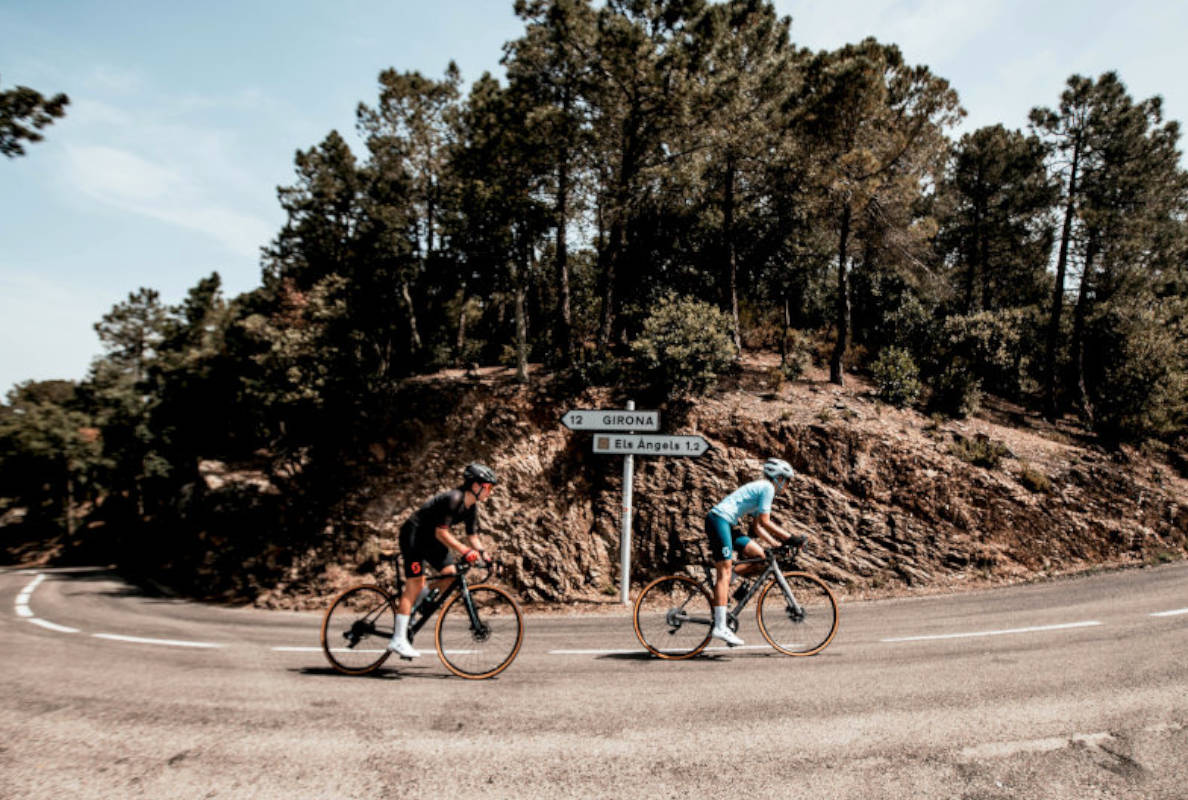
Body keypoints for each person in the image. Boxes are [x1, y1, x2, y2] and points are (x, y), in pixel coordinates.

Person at [387, 462, 497, 659]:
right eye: (488, 487)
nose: (490, 491)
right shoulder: (454, 499)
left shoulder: (471, 507)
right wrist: (464, 551)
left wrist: (484, 555)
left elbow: (472, 536)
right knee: (415, 584)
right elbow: (442, 532)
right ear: (475, 485)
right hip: (414, 535)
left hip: (431, 539)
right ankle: (398, 639)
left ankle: (414, 609)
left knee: (450, 575)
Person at [704, 457, 804, 646]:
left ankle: (728, 584)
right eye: (787, 481)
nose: (787, 486)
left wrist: (775, 544)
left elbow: (757, 527)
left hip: (726, 523)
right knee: (723, 572)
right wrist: (790, 538)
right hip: (719, 520)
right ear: (779, 479)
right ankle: (720, 626)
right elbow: (766, 522)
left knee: (762, 557)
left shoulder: (763, 488)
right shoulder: (767, 488)